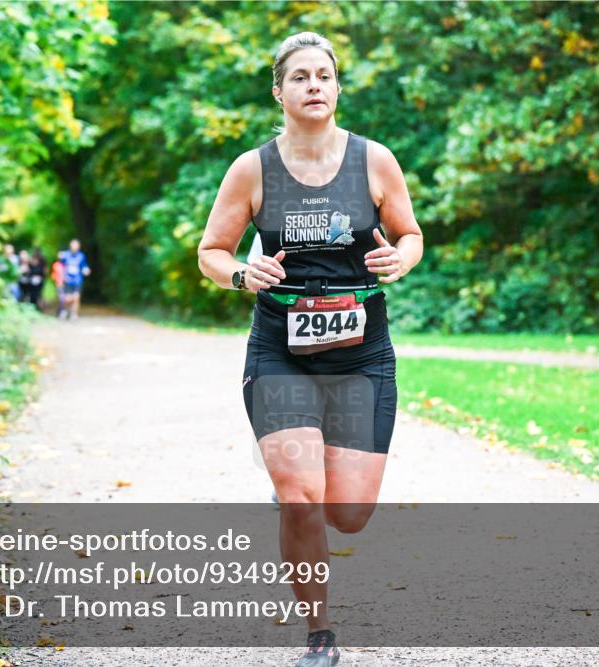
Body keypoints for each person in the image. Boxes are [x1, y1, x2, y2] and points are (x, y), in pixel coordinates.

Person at [196, 32, 423, 667]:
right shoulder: (253, 168)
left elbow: (410, 234)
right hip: (281, 351)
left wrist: (400, 260)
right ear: (279, 91)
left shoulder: (374, 160)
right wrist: (242, 275)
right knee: (302, 498)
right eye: (300, 76)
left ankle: (300, 487)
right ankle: (320, 636)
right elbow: (211, 252)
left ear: (337, 88)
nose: (314, 85)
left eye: (324, 75)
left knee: (347, 513)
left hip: (360, 355)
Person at [58, 238, 91, 320]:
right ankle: (64, 311)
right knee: (67, 298)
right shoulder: (65, 255)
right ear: (70, 246)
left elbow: (84, 266)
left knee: (76, 297)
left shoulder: (81, 256)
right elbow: (60, 266)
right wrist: (62, 276)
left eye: (76, 245)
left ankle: (74, 314)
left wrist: (86, 270)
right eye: (73, 245)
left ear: (79, 247)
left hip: (78, 280)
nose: (74, 246)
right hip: (67, 280)